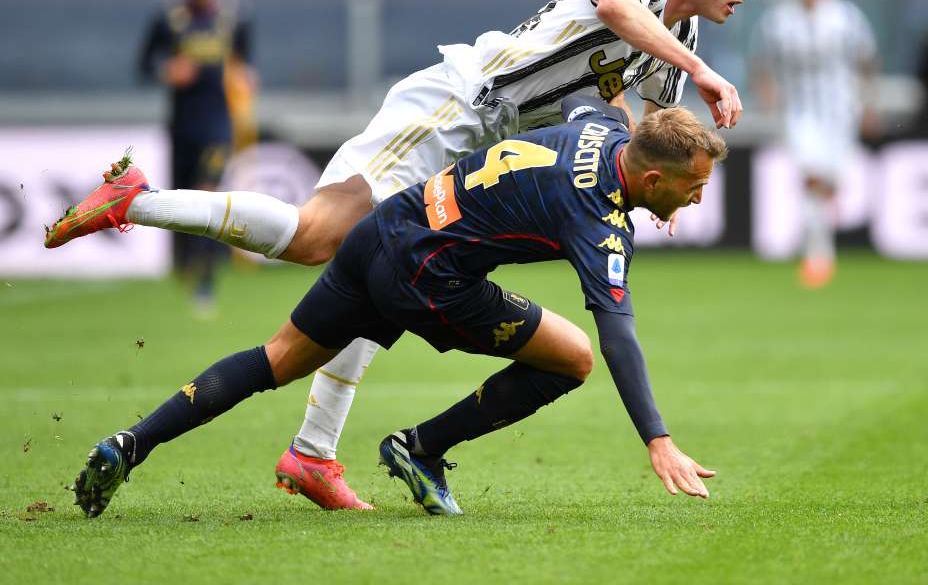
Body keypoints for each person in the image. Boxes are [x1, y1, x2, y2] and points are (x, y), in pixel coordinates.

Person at [49, 0, 759, 510]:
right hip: (461, 106)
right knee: (318, 236)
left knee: (384, 270)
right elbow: (611, 8)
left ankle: (314, 453)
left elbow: (623, 109)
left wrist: (650, 184)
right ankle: (137, 201)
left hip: (491, 136)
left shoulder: (679, 43)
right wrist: (700, 72)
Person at [73, 104, 726, 519]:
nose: (696, 199)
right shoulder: (600, 224)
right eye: (691, 187)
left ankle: (129, 444)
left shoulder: (605, 131)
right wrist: (658, 439)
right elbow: (619, 336)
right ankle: (421, 449)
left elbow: (598, 100)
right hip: (431, 279)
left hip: (386, 228)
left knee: (274, 359)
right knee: (574, 357)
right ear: (649, 180)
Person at [136, 0, 255, 315]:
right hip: (183, 123)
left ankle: (206, 282)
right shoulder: (169, 18)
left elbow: (244, 61)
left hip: (218, 123)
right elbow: (144, 64)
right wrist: (167, 70)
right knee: (183, 197)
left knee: (208, 193)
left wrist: (246, 75)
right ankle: (185, 265)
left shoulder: (235, 16)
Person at [750, 0, 877, 288]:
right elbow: (761, 60)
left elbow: (866, 60)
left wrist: (869, 104)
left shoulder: (845, 17)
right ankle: (819, 255)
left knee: (830, 183)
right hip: (799, 111)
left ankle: (819, 241)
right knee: (812, 177)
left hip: (840, 110)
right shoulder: (780, 21)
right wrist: (767, 94)